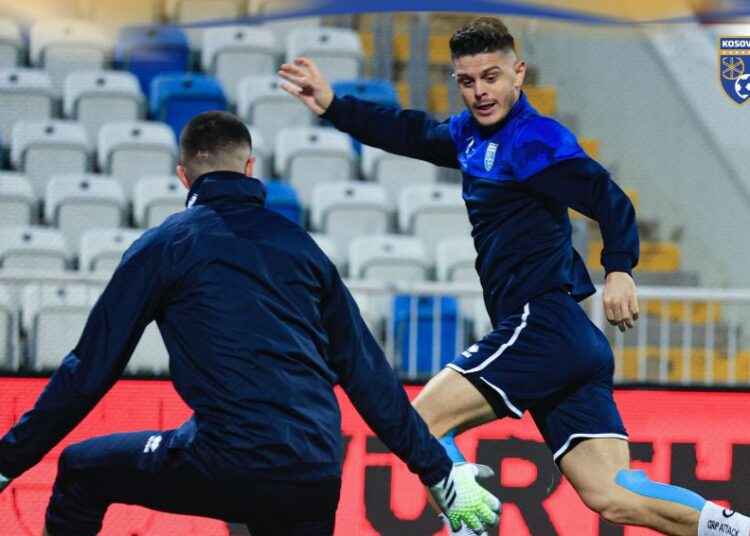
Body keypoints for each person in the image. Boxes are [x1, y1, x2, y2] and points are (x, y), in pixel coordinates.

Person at [279, 16, 750, 536]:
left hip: (541, 322)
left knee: (421, 421)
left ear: (518, 73)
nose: (480, 92)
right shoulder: (468, 135)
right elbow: (409, 132)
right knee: (614, 495)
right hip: (567, 339)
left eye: (491, 77)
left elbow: (608, 198)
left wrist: (619, 269)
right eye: (467, 81)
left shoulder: (533, 140)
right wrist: (334, 106)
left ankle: (467, 523)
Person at [0, 111, 501, 535]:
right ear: (250, 167)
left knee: (81, 469)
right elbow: (369, 376)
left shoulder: (165, 246)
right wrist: (438, 473)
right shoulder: (302, 248)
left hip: (227, 460)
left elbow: (89, 369)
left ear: (183, 177)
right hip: (316, 469)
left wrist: (9, 460)